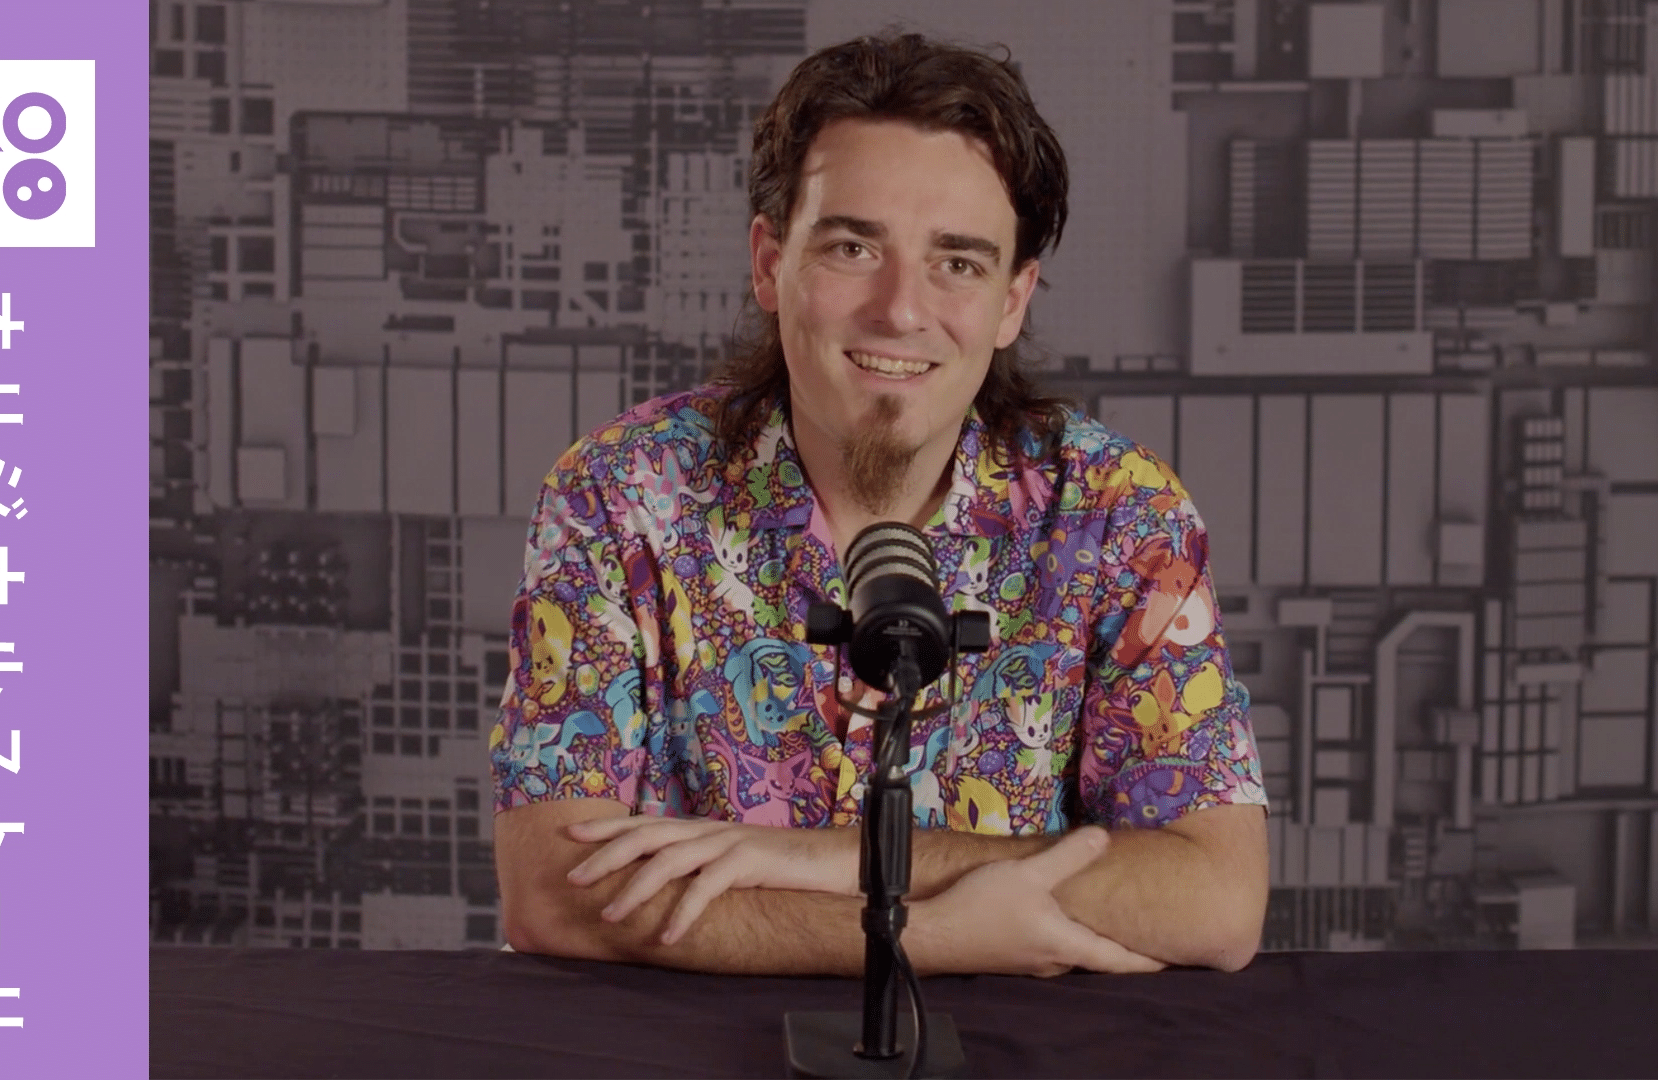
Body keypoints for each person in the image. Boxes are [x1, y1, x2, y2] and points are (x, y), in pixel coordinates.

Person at [489, 32, 1269, 978]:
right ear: (771, 263)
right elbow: (553, 891)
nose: (901, 310)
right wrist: (930, 932)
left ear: (1013, 299)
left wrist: (826, 861)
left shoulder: (1118, 513)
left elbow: (1214, 900)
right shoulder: (620, 493)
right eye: (854, 246)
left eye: (959, 263)